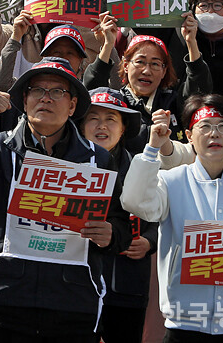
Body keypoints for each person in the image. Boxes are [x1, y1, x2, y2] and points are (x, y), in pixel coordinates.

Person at [0, 58, 132, 341]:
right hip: (5, 299)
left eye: (57, 91)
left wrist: (111, 234)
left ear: (72, 105)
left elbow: (120, 225)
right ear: (24, 99)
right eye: (37, 90)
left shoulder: (99, 159)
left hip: (70, 302)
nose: (46, 98)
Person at [122, 94, 223, 339]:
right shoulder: (170, 181)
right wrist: (152, 149)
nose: (214, 134)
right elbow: (134, 202)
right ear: (190, 135)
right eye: (204, 126)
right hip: (184, 324)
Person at [80, 88, 157, 343]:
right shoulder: (65, 168)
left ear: (123, 128)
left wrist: (149, 241)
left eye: (111, 119)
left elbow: (163, 216)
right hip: (76, 288)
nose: (102, 126)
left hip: (128, 285)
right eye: (93, 118)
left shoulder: (142, 168)